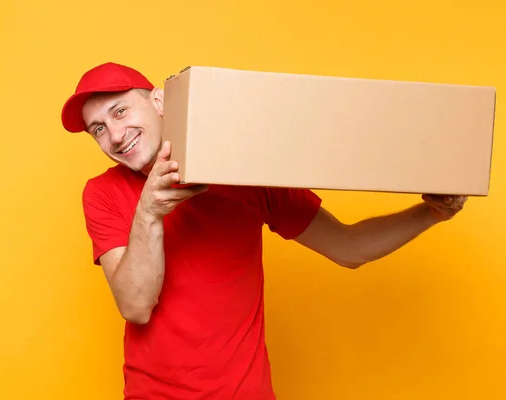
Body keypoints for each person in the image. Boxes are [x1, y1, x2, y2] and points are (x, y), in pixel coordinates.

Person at [60, 62, 467, 400]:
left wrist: (431, 213)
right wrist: (148, 211)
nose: (114, 135)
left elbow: (348, 247)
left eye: (119, 112)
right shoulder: (103, 193)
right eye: (97, 129)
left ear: (160, 100)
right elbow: (136, 305)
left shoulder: (241, 172)